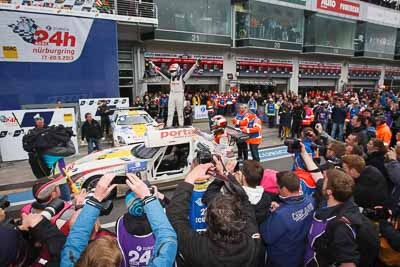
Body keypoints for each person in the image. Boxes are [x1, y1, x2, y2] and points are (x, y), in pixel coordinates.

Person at [61, 173, 177, 267]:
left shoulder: (70, 262)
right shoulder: (69, 260)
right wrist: (148, 197)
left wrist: (94, 200)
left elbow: (75, 239)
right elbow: (167, 239)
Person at [166, 164, 261, 267]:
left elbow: (175, 217)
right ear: (241, 218)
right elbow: (245, 201)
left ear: (207, 220)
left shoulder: (199, 249)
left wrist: (190, 178)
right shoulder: (252, 241)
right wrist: (225, 175)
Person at [260, 171, 315, 267]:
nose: (277, 190)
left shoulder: (280, 215)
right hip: (302, 252)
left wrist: (268, 215)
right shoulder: (311, 200)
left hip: (282, 259)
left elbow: (267, 237)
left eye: (278, 187)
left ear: (284, 188)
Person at [150, 60, 199, 127]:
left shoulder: (182, 77)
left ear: (178, 70)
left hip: (180, 94)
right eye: (171, 71)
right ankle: (168, 126)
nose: (172, 72)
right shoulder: (170, 77)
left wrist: (195, 65)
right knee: (170, 112)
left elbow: (189, 72)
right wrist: (153, 65)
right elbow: (161, 72)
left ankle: (181, 125)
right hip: (172, 94)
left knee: (180, 112)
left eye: (173, 71)